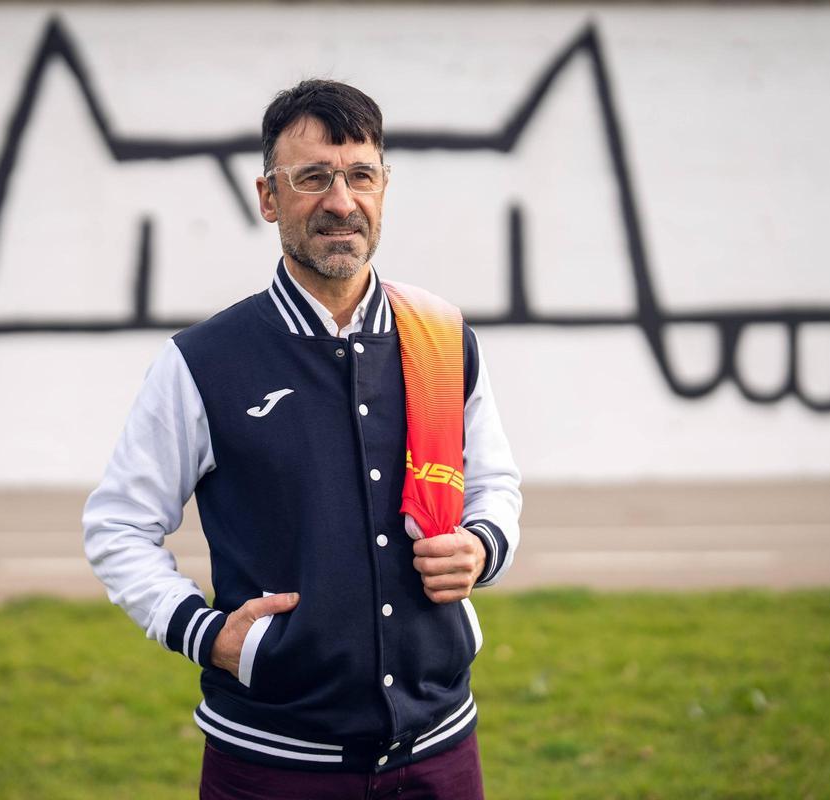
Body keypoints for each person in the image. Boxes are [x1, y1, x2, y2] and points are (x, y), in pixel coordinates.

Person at [83, 79, 521, 799]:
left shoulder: (441, 337)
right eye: (312, 178)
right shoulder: (205, 361)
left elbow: (494, 484)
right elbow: (118, 526)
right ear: (267, 197)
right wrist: (206, 632)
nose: (341, 202)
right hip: (271, 763)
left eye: (360, 176)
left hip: (440, 752)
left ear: (384, 187)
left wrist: (481, 545)